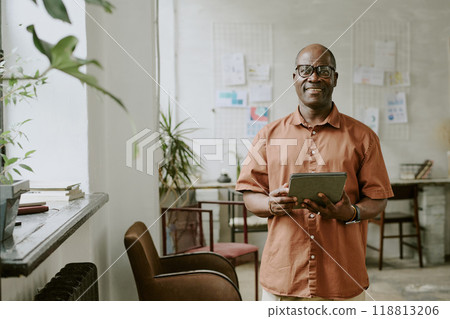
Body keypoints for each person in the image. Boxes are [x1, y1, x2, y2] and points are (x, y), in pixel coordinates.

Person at [236, 43, 393, 301]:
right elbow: (249, 195)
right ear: (295, 78)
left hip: (342, 279)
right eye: (305, 70)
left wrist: (350, 212)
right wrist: (272, 204)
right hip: (283, 278)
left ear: (335, 79)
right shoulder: (267, 135)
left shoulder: (364, 137)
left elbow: (378, 199)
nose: (314, 77)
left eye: (323, 70)